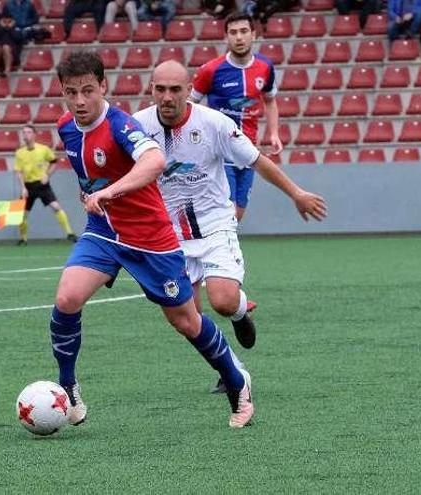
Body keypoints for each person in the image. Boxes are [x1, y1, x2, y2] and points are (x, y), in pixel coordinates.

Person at [52, 51, 254, 428]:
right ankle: (67, 387)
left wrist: (109, 192)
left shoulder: (121, 125)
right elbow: (91, 175)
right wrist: (92, 195)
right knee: (67, 297)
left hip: (151, 238)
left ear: (104, 87)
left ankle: (235, 378)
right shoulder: (65, 127)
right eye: (71, 92)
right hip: (105, 233)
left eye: (87, 91)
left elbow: (154, 162)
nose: (79, 101)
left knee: (186, 322)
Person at [135, 60, 327, 392]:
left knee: (222, 300)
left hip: (214, 224)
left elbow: (256, 160)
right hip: (170, 235)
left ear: (190, 90)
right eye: (160, 88)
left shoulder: (214, 123)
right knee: (189, 319)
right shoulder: (136, 126)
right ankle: (232, 369)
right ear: (151, 88)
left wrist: (296, 193)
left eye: (175, 89)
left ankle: (239, 313)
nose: (167, 97)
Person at [190, 13, 281, 223]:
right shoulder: (211, 70)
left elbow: (270, 100)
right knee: (227, 211)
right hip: (221, 152)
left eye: (244, 31)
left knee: (237, 214)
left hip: (249, 151)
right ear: (226, 37)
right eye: (233, 33)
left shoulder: (265, 67)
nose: (239, 38)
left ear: (254, 35)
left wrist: (274, 133)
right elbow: (188, 105)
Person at [14, 125, 77, 245]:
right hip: (28, 186)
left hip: (42, 185)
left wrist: (47, 175)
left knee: (56, 207)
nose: (25, 135)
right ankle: (23, 239)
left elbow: (53, 162)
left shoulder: (43, 149)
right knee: (21, 214)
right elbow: (19, 172)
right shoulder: (19, 153)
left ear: (34, 134)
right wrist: (23, 188)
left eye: (28, 132)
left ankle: (70, 233)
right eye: (24, 133)